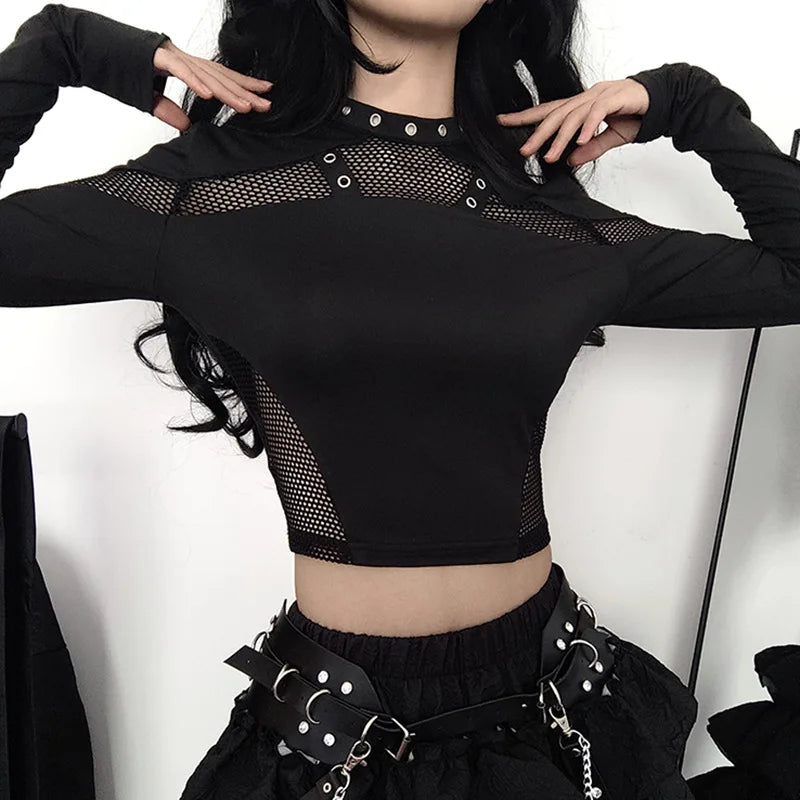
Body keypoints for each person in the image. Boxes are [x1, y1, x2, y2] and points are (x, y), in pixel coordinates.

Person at [1, 2, 798, 799]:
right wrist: (66, 46)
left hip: (564, 708)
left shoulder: (549, 215)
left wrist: (686, 100)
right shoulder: (214, 192)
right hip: (343, 736)